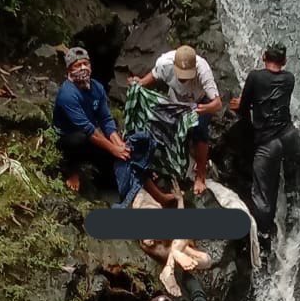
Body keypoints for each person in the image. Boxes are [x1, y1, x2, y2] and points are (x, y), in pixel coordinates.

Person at [230, 42, 300, 243]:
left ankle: (264, 235)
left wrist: (241, 106)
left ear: (263, 57)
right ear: (284, 62)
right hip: (291, 137)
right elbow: (271, 98)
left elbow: (245, 108)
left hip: (268, 143)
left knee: (263, 194)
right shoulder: (289, 79)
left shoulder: (255, 76)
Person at [129, 45, 223, 195]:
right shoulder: (164, 63)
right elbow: (154, 75)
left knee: (199, 130)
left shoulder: (203, 70)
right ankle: (167, 165)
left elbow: (217, 104)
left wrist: (200, 109)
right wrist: (138, 84)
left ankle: (201, 176)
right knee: (163, 127)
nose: (183, 77)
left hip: (199, 101)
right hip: (176, 100)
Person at [53, 46, 131, 193]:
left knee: (115, 152)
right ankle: (71, 171)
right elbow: (88, 129)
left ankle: (112, 185)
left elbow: (106, 119)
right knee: (80, 138)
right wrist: (113, 149)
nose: (83, 68)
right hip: (68, 137)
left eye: (86, 64)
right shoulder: (68, 94)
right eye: (77, 65)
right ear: (69, 69)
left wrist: (119, 145)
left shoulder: (97, 88)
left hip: (90, 135)